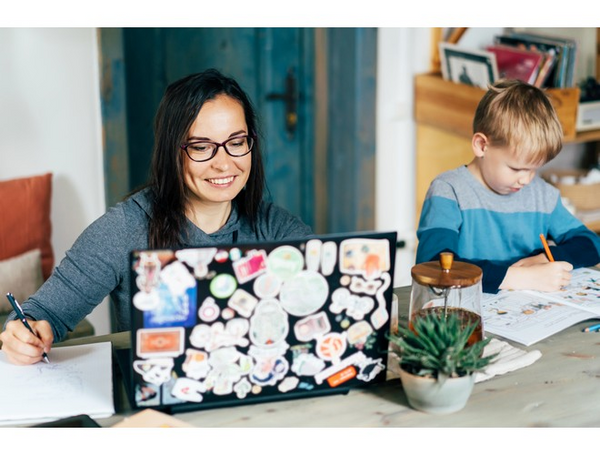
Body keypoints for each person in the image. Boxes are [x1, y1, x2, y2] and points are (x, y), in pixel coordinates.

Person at [1, 69, 312, 365]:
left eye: (236, 143)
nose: (224, 163)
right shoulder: (125, 228)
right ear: (171, 152)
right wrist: (23, 334)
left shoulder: (276, 228)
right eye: (202, 147)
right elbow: (40, 314)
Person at [416, 79, 600, 294]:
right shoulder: (448, 191)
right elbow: (435, 265)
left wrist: (544, 259)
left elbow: (592, 244)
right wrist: (517, 277)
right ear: (482, 145)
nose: (526, 180)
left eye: (534, 170)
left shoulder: (542, 195)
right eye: (516, 169)